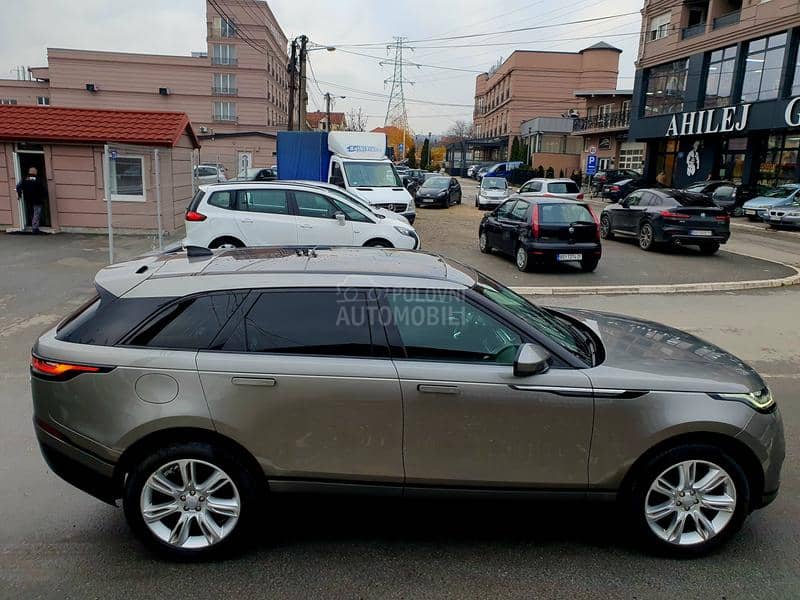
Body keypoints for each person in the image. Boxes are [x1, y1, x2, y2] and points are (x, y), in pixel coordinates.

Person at [16, 167, 48, 233]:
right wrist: (45, 197)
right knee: (36, 213)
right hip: (37, 199)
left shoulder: (24, 179)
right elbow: (43, 189)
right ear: (35, 172)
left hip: (28, 199)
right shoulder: (38, 179)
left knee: (31, 212)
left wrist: (19, 195)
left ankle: (31, 224)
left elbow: (18, 187)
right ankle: (35, 228)